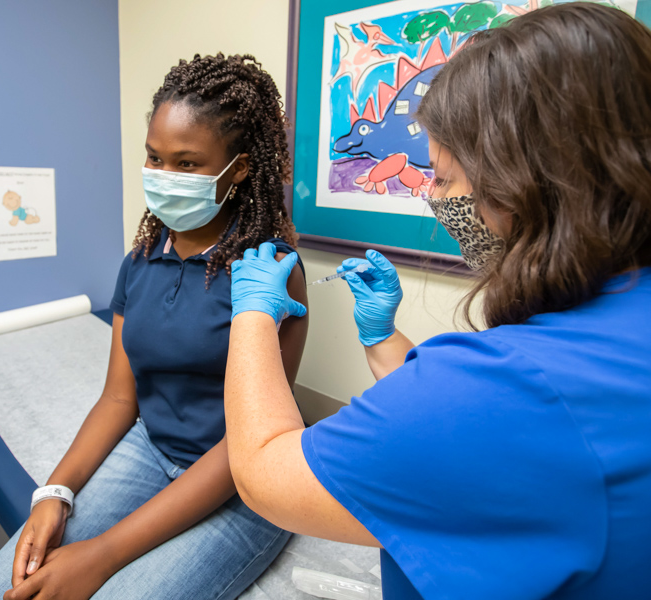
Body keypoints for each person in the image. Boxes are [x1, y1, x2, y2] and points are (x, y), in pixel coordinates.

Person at [224, 4, 651, 600]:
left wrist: (249, 314)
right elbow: (484, 439)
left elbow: (266, 473)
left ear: (521, 184)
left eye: (445, 181)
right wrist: (383, 339)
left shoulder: (518, 387)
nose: (435, 199)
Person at [0, 53, 308, 600]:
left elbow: (247, 443)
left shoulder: (269, 270)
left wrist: (100, 557)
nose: (163, 178)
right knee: (8, 586)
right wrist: (56, 491)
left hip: (246, 480)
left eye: (188, 164)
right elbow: (120, 400)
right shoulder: (142, 259)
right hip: (151, 448)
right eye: (154, 157)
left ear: (238, 169)